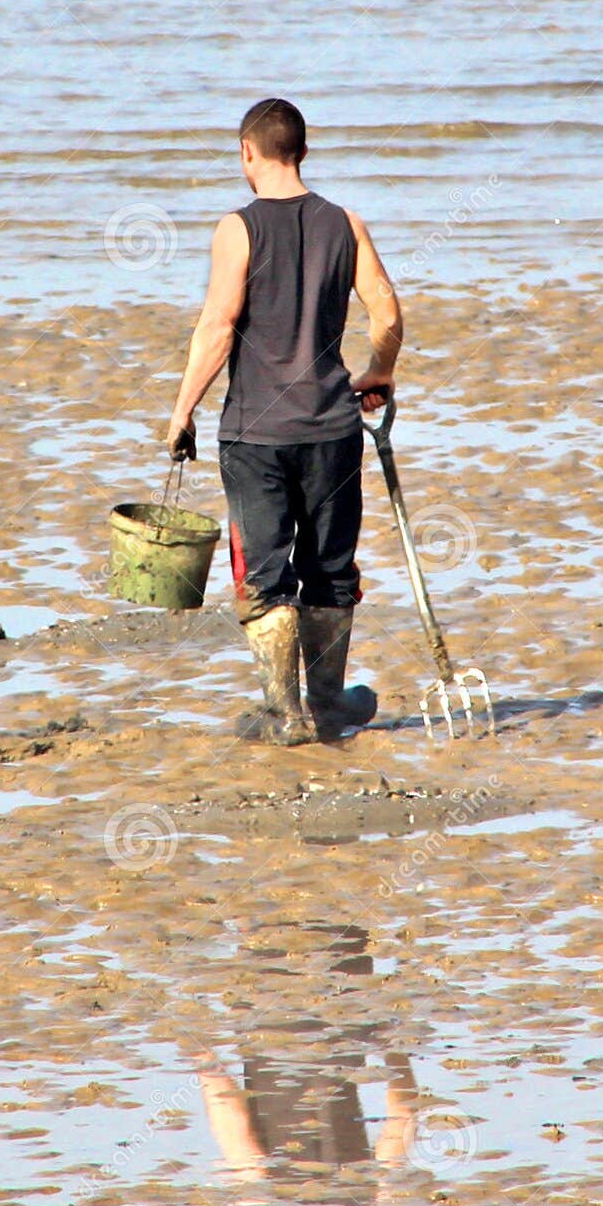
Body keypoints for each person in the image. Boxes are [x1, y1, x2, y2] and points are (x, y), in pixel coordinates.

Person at [166, 98, 404, 744]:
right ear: (301, 150)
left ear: (248, 152)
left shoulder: (236, 229)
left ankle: (286, 713)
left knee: (266, 574)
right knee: (330, 569)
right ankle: (327, 706)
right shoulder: (345, 222)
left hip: (256, 434)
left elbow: (217, 328)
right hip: (331, 427)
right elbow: (385, 311)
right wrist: (378, 371)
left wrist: (182, 411)